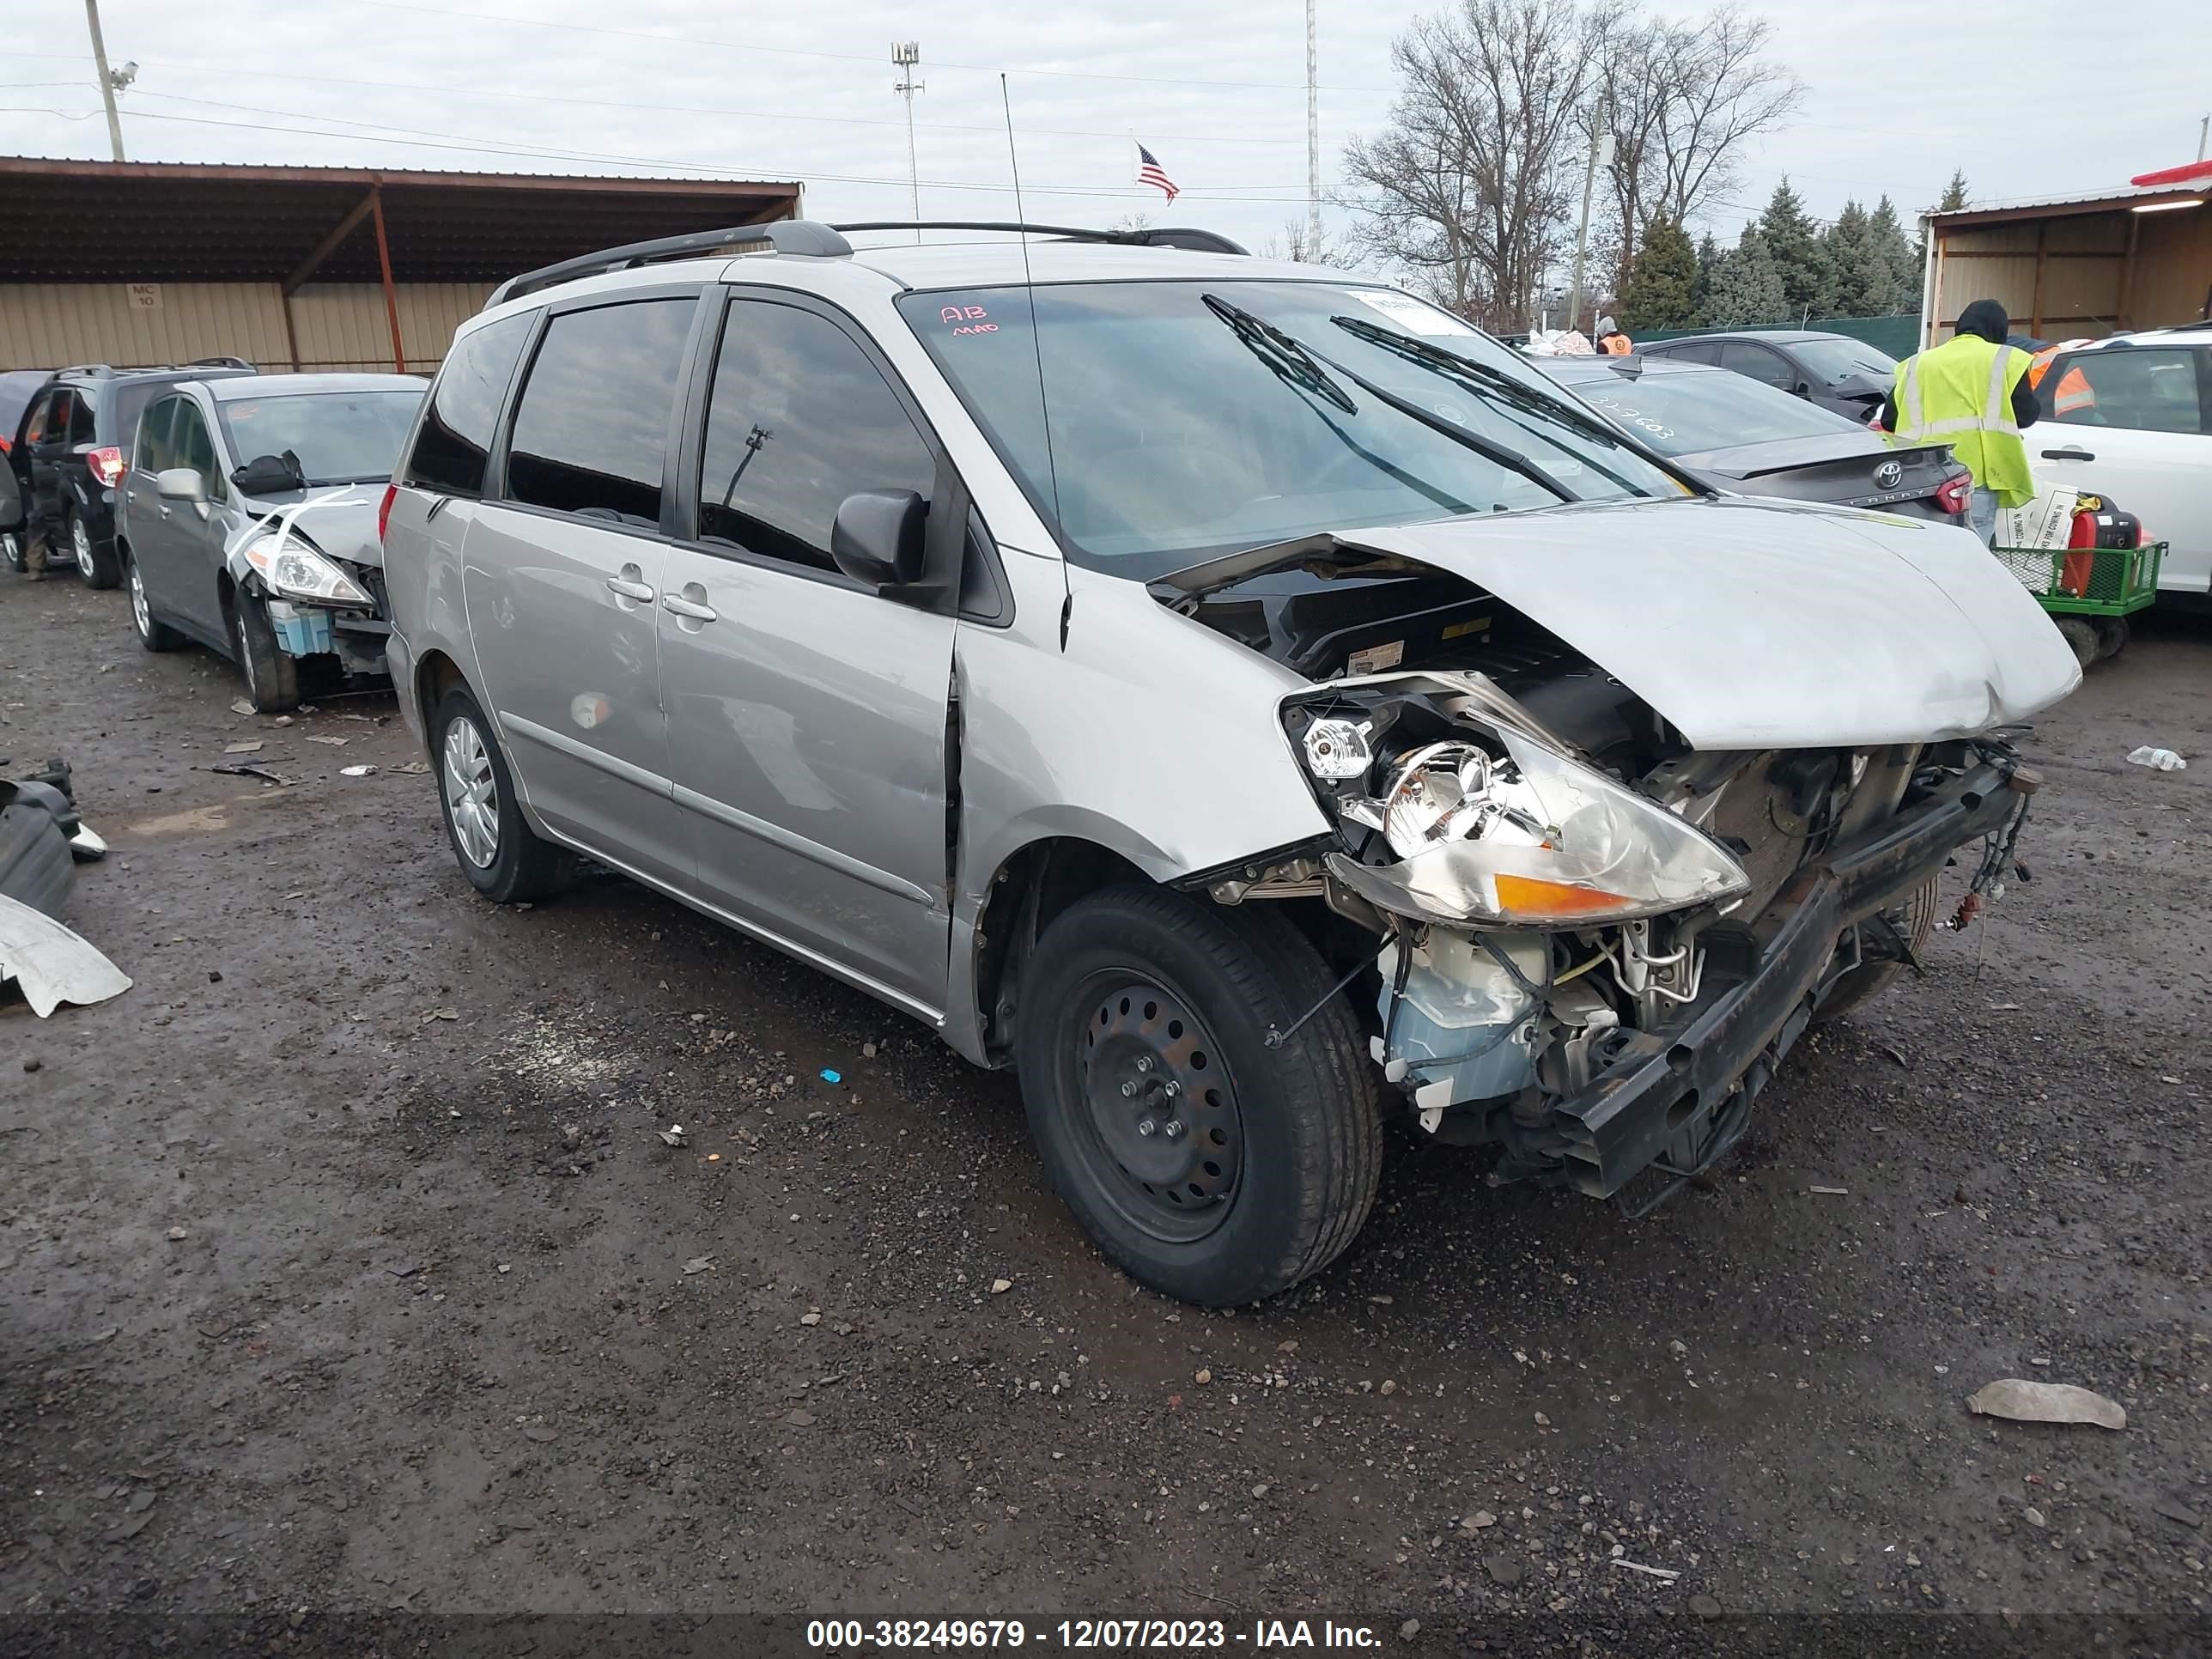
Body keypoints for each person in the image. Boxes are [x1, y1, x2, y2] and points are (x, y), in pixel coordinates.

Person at [1878, 299, 2038, 545]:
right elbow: (2026, 415)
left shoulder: (1919, 363)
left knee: (1924, 552)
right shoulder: (2005, 359)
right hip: (1974, 479)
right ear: (1999, 331)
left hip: (1920, 479)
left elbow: (1890, 420)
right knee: (1969, 556)